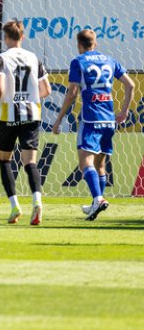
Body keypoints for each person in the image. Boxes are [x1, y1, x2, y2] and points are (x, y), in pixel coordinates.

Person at [52, 29, 135, 221]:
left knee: (85, 162)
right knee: (100, 164)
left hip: (91, 118)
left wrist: (59, 119)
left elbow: (72, 93)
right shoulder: (110, 60)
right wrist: (124, 111)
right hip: (109, 120)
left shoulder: (78, 61)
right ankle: (96, 202)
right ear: (95, 43)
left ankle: (98, 199)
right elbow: (130, 85)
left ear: (79, 45)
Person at [0, 20, 51, 226]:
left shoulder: (0, 58)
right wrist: (30, 98)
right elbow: (46, 90)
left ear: (5, 37)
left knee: (4, 160)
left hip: (7, 115)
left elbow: (0, 87)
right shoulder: (33, 58)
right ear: (22, 37)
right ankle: (37, 201)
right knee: (30, 162)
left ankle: (15, 206)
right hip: (31, 115)